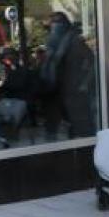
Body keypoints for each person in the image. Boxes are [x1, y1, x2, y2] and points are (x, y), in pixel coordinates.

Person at [39, 12, 97, 140]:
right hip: (55, 89)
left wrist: (85, 83)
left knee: (80, 126)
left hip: (73, 90)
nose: (53, 28)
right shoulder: (53, 43)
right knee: (54, 127)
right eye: (52, 25)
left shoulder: (74, 41)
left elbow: (92, 61)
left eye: (56, 23)